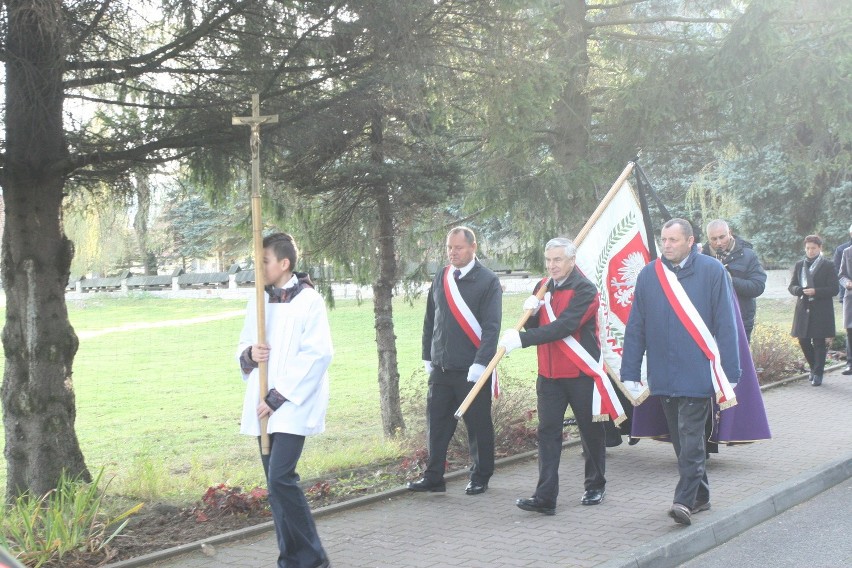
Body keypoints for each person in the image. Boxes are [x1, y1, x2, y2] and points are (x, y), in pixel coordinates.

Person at [621, 218, 740, 526]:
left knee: (689, 440)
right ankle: (701, 496)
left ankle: (683, 500)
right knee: (680, 440)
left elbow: (726, 324)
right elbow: (637, 324)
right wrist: (630, 367)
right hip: (663, 373)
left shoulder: (712, 272)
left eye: (673, 240)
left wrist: (730, 370)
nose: (667, 245)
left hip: (697, 371)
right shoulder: (650, 274)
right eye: (664, 239)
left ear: (690, 241)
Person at [237, 232, 333, 568]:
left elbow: (319, 354)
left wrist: (278, 397)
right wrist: (251, 353)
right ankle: (290, 558)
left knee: (281, 478)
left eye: (263, 261)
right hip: (263, 404)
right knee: (274, 486)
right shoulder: (258, 300)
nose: (258, 267)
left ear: (284, 263)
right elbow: (244, 344)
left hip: (292, 403)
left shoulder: (309, 301)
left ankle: (313, 558)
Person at [498, 237, 609, 515]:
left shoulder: (585, 289)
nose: (552, 265)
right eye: (548, 260)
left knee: (590, 430)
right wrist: (532, 313)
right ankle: (545, 496)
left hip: (580, 372)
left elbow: (565, 327)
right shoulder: (542, 287)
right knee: (548, 433)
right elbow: (540, 322)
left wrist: (523, 340)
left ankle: (595, 485)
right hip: (548, 374)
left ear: (572, 260)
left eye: (558, 259)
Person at [409, 226, 502, 495]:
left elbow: (491, 327)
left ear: (473, 247)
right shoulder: (443, 275)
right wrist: (428, 354)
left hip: (471, 370)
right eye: (449, 248)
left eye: (458, 247)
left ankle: (480, 475)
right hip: (441, 367)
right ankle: (434, 476)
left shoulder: (488, 281)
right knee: (436, 425)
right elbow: (431, 318)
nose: (453, 253)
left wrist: (481, 363)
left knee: (478, 425)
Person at [703, 219, 767, 342]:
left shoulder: (748, 255)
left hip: (740, 321)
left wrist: (730, 280)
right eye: (713, 239)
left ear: (730, 233)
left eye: (722, 237)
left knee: (740, 361)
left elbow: (758, 286)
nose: (718, 243)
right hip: (710, 322)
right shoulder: (701, 258)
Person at [789, 235, 839, 386]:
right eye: (808, 248)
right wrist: (799, 290)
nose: (810, 251)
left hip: (821, 310)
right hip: (803, 308)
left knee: (818, 342)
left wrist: (816, 291)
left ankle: (818, 374)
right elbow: (792, 286)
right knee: (803, 340)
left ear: (820, 248)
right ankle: (813, 367)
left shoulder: (828, 265)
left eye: (813, 248)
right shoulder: (799, 264)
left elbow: (834, 289)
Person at [839, 245, 852, 375]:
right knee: (850, 330)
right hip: (851, 296)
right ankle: (850, 364)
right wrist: (847, 282)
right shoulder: (847, 252)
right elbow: (841, 275)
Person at [833, 223, 852, 304]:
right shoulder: (842, 250)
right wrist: (847, 282)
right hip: (848, 293)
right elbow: (837, 272)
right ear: (851, 234)